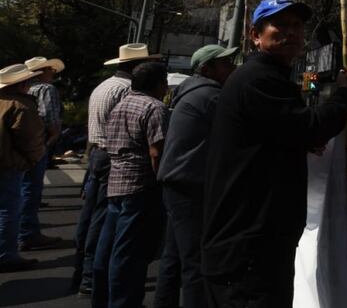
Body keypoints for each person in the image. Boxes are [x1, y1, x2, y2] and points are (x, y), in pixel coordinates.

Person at [202, 0, 347, 307]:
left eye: (297, 26)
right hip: (248, 250)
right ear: (255, 35)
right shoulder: (257, 79)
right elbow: (312, 126)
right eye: (280, 25)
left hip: (259, 243)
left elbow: (279, 133)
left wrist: (302, 142)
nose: (291, 32)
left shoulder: (270, 77)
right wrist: (344, 92)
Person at [152, 44, 238, 308]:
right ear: (206, 69)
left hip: (177, 184)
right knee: (196, 263)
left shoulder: (189, 91)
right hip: (191, 187)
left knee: (174, 257)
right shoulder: (210, 96)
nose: (232, 67)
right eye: (225, 63)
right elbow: (243, 132)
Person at [73, 43, 159, 295]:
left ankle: (85, 272)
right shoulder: (126, 90)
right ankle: (93, 277)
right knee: (107, 223)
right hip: (116, 157)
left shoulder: (105, 86)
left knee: (94, 216)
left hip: (99, 153)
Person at [91, 61, 169, 308]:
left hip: (116, 183)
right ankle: (122, 302)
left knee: (108, 247)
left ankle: (101, 299)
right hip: (140, 186)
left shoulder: (121, 104)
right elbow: (156, 152)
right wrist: (161, 182)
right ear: (158, 84)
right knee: (128, 254)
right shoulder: (155, 107)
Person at [0, 64, 46, 273]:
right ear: (22, 84)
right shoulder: (21, 106)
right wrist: (31, 160)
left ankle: (0, 254)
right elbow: (31, 140)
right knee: (8, 210)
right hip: (5, 164)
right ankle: (2, 256)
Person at [18, 56, 66, 252]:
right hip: (38, 142)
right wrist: (53, 136)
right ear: (42, 72)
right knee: (31, 189)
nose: (52, 73)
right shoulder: (46, 89)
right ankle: (27, 233)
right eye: (50, 70)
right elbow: (48, 117)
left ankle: (19, 231)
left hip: (18, 145)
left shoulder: (21, 88)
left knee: (20, 189)